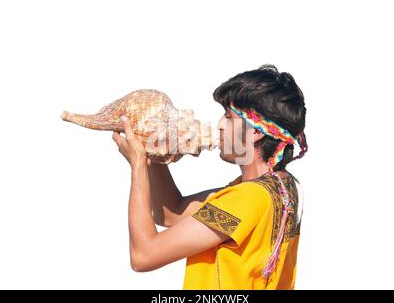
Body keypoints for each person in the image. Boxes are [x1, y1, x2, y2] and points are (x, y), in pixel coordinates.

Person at [112, 64, 308, 289]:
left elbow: (143, 256)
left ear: (255, 131)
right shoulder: (282, 185)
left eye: (228, 117)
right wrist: (153, 152)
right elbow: (172, 213)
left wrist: (137, 166)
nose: (220, 125)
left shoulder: (248, 199)